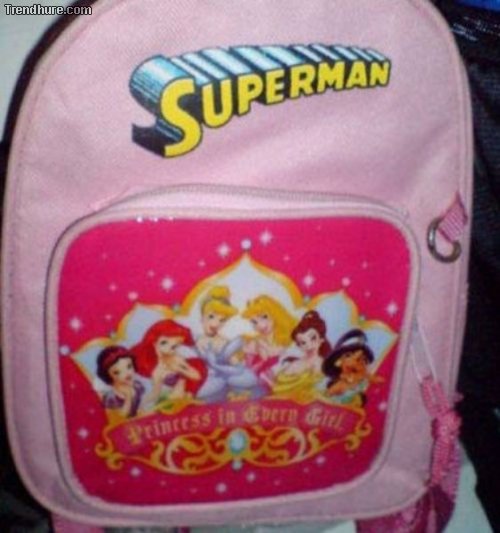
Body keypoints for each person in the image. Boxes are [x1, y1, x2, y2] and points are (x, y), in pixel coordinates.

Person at [132, 319, 207, 404]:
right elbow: (155, 394)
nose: (167, 348)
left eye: (174, 346)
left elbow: (197, 376)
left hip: (185, 390)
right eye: (163, 343)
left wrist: (179, 370)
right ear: (154, 343)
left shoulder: (176, 359)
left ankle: (188, 397)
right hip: (172, 395)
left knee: (196, 364)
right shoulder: (156, 371)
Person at [241, 295, 296, 391]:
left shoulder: (287, 337)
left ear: (275, 314)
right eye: (254, 322)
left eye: (264, 317)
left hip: (283, 380)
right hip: (259, 382)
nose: (260, 325)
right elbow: (248, 368)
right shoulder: (254, 343)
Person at [273, 310, 331, 395]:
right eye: (301, 343)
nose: (309, 343)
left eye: (313, 338)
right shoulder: (296, 363)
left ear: (321, 339)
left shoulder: (321, 364)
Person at [96, 345, 145, 418]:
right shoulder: (111, 398)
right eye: (117, 372)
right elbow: (120, 417)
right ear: (108, 376)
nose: (127, 373)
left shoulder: (137, 386)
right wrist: (128, 398)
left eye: (129, 366)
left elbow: (140, 409)